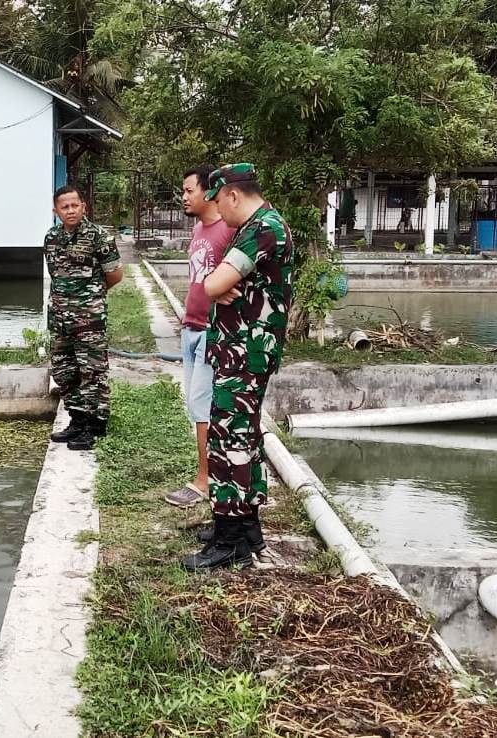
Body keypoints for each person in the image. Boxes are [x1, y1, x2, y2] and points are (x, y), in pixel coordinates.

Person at [181, 163, 293, 570]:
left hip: (245, 354)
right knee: (241, 438)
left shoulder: (263, 228)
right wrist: (222, 283)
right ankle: (245, 527)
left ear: (231, 194)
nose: (217, 212)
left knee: (231, 442)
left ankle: (231, 540)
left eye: (217, 201)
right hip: (237, 352)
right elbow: (217, 284)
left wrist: (220, 282)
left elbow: (209, 285)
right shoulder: (255, 227)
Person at [164, 165, 235, 508]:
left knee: (202, 406)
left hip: (211, 330)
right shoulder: (199, 229)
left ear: (209, 192)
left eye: (189, 190)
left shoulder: (227, 230)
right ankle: (209, 474)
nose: (184, 197)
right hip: (191, 327)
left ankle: (205, 480)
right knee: (196, 406)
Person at [44, 184, 123, 451]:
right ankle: (77, 420)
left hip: (88, 319)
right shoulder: (51, 237)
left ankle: (94, 425)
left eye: (74, 205)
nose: (70, 211)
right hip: (59, 320)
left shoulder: (99, 236)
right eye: (64, 207)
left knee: (92, 372)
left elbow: (115, 275)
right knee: (64, 370)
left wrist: (89, 299)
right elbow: (56, 276)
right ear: (56, 211)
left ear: (83, 206)